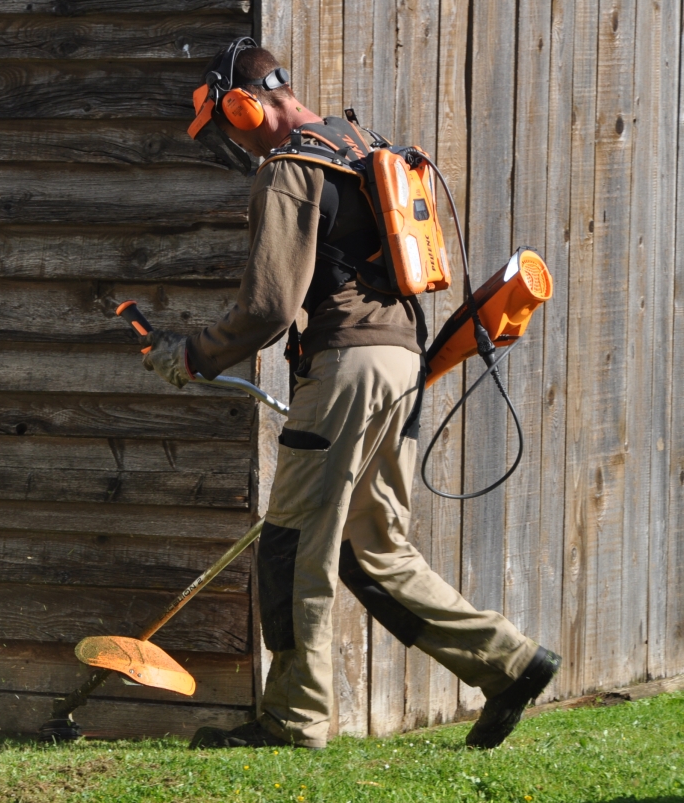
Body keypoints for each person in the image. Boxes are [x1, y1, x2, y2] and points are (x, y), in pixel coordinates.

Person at [140, 37, 560, 751]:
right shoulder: (361, 143)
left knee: (293, 542)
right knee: (372, 546)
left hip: (346, 368)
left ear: (243, 107)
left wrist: (195, 355)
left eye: (224, 127)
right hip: (402, 366)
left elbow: (270, 307)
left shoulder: (288, 168)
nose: (230, 143)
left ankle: (294, 718)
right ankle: (508, 662)